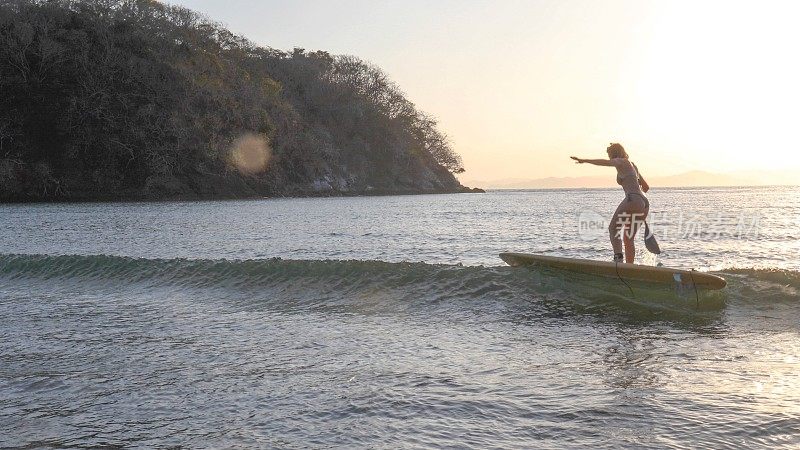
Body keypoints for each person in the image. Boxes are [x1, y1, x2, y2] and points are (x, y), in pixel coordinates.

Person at [571, 143, 650, 263]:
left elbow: (604, 163)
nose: (609, 158)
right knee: (628, 238)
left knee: (613, 229)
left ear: (614, 154)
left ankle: (618, 260)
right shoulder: (632, 165)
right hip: (643, 203)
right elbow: (646, 187)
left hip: (632, 199)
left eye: (609, 154)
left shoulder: (621, 161)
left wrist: (584, 160)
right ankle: (629, 267)